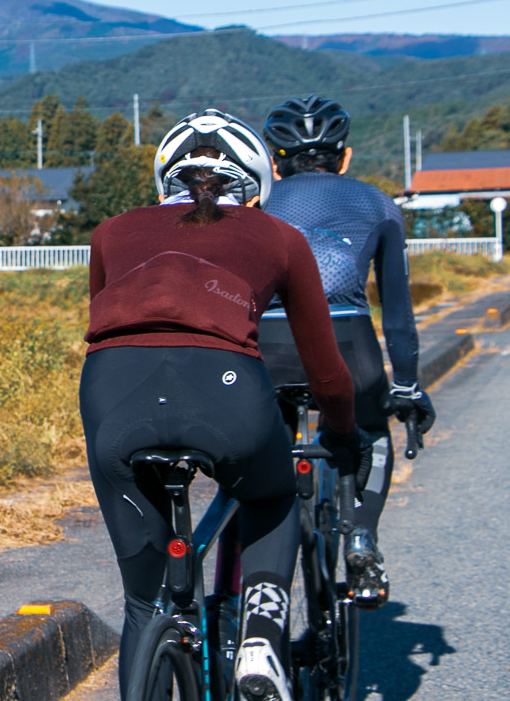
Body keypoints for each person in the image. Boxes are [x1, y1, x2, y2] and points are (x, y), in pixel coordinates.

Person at [80, 108, 371, 701]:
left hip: (113, 392)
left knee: (145, 599)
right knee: (272, 497)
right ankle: (263, 638)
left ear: (165, 178)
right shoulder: (280, 237)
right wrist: (344, 432)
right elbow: (326, 373)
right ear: (259, 182)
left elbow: (111, 326)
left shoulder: (110, 231)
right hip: (228, 393)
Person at [260, 95, 436, 609]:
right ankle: (362, 537)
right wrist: (406, 384)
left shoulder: (256, 204)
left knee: (270, 441)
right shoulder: (377, 203)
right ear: (346, 156)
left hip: (268, 344)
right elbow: (398, 314)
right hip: (347, 343)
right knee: (373, 431)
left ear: (274, 160)